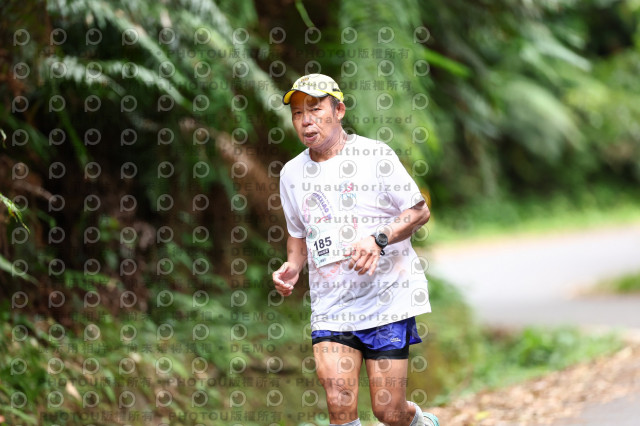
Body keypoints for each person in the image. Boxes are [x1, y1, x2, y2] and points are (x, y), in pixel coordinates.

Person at [273, 73, 439, 426]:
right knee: (338, 402)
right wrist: (292, 266)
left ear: (339, 110)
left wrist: (379, 238)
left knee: (388, 411)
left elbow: (418, 211)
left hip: (387, 300)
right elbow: (298, 234)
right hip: (331, 306)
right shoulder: (291, 174)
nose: (306, 120)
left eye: (315, 109)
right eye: (298, 113)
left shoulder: (374, 155)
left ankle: (421, 422)